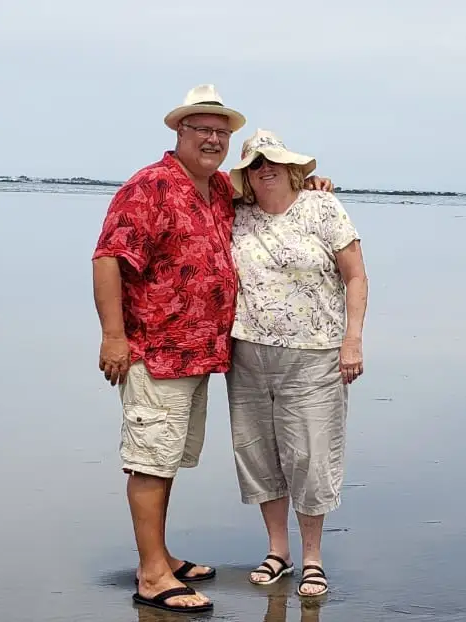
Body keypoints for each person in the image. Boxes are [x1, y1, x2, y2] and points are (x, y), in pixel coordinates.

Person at [91, 87, 333, 614]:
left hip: (199, 354)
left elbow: (267, 190)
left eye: (222, 132)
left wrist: (309, 185)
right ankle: (152, 575)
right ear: (179, 132)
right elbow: (109, 257)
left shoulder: (217, 189)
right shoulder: (151, 185)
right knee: (150, 461)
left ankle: (162, 555)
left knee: (167, 458)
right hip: (155, 350)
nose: (213, 139)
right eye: (202, 129)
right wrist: (113, 336)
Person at [225, 129, 369, 598]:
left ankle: (312, 558)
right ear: (245, 174)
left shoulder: (321, 206)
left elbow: (356, 276)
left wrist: (353, 341)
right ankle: (277, 551)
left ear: (292, 167)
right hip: (245, 353)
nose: (264, 168)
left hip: (314, 354)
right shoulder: (234, 214)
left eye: (273, 160)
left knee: (308, 455)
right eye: (254, 163)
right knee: (258, 453)